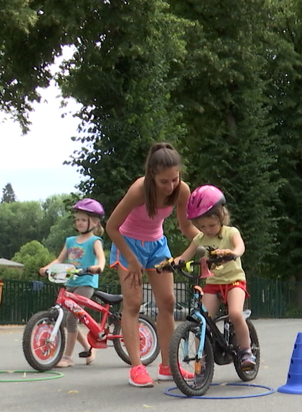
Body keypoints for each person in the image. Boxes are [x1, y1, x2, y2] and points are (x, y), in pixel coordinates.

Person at [107, 142, 200, 387]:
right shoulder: (139, 190)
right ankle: (136, 368)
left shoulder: (182, 190)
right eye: (164, 181)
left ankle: (168, 366)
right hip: (128, 244)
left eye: (175, 179)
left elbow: (185, 226)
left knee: (167, 302)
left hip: (157, 245)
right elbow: (111, 227)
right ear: (152, 176)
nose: (170, 186)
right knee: (133, 304)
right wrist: (133, 260)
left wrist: (209, 241)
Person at [175, 184, 256, 369]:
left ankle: (246, 351)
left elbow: (240, 246)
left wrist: (234, 253)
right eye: (202, 226)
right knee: (201, 320)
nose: (207, 229)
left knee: (235, 314)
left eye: (211, 225)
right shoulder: (200, 239)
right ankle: (201, 360)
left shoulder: (231, 232)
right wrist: (172, 263)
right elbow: (184, 256)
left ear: (221, 217)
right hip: (213, 283)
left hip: (234, 281)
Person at [39, 199, 106, 368]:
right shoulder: (70, 241)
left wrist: (99, 267)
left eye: (83, 219)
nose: (79, 222)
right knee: (70, 319)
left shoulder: (95, 240)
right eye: (77, 220)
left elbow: (101, 258)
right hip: (70, 281)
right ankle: (89, 348)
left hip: (86, 282)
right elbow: (59, 259)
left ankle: (68, 357)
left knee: (71, 317)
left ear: (95, 222)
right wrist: (46, 268)